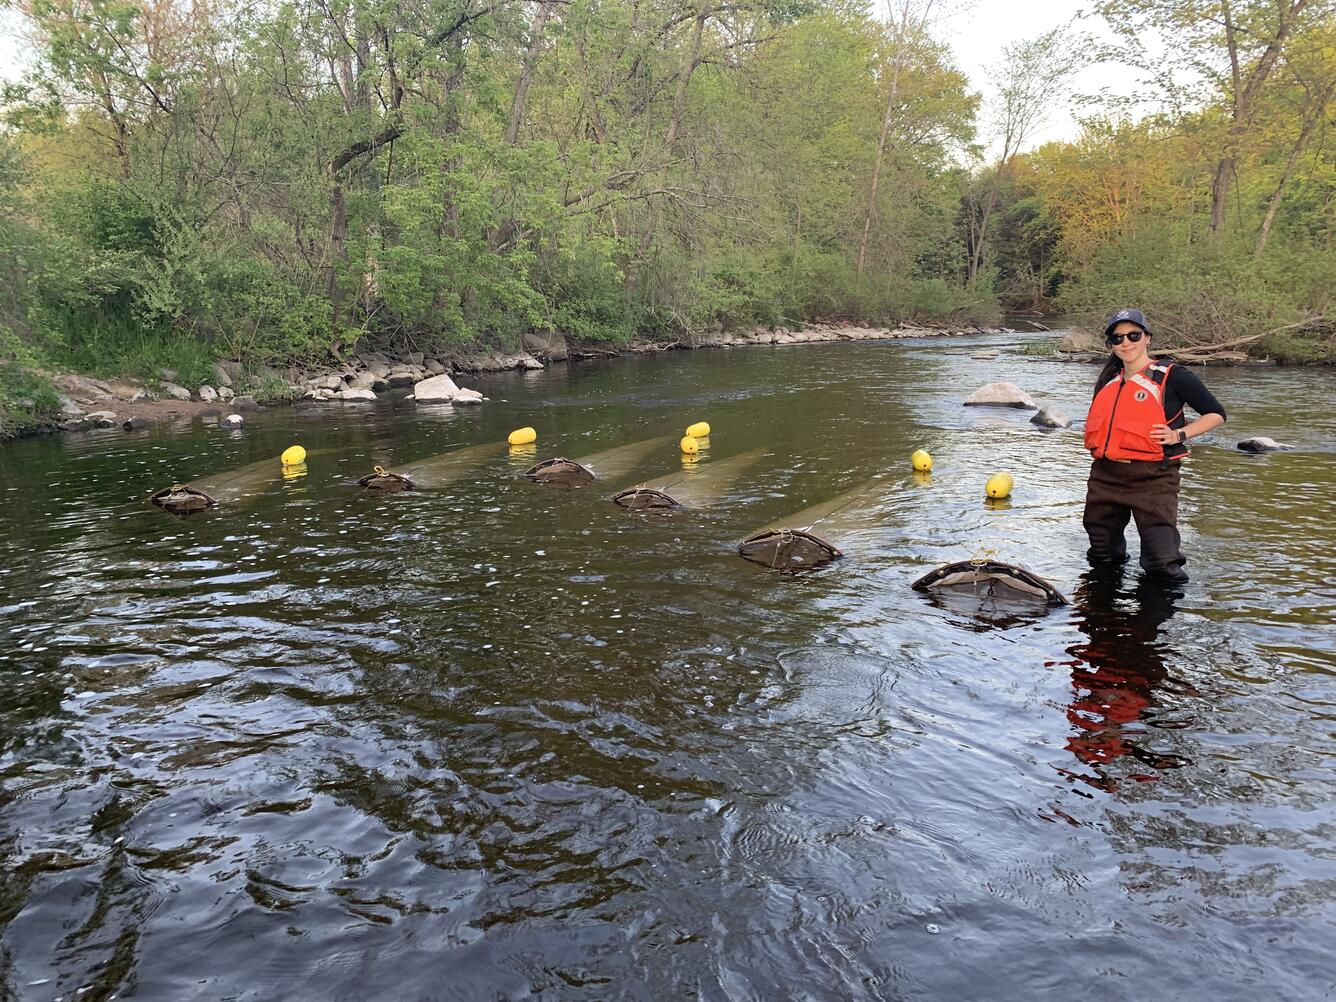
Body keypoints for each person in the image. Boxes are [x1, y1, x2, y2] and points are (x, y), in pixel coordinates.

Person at [1082, 308, 1226, 582]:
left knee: (1162, 564)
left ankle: (1156, 622)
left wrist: (1179, 434)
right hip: (1105, 476)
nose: (1126, 342)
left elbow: (1216, 414)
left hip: (1154, 477)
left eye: (1133, 335)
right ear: (1111, 344)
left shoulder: (1172, 375)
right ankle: (1102, 617)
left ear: (1147, 337)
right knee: (1102, 555)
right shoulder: (1107, 381)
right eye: (1117, 338)